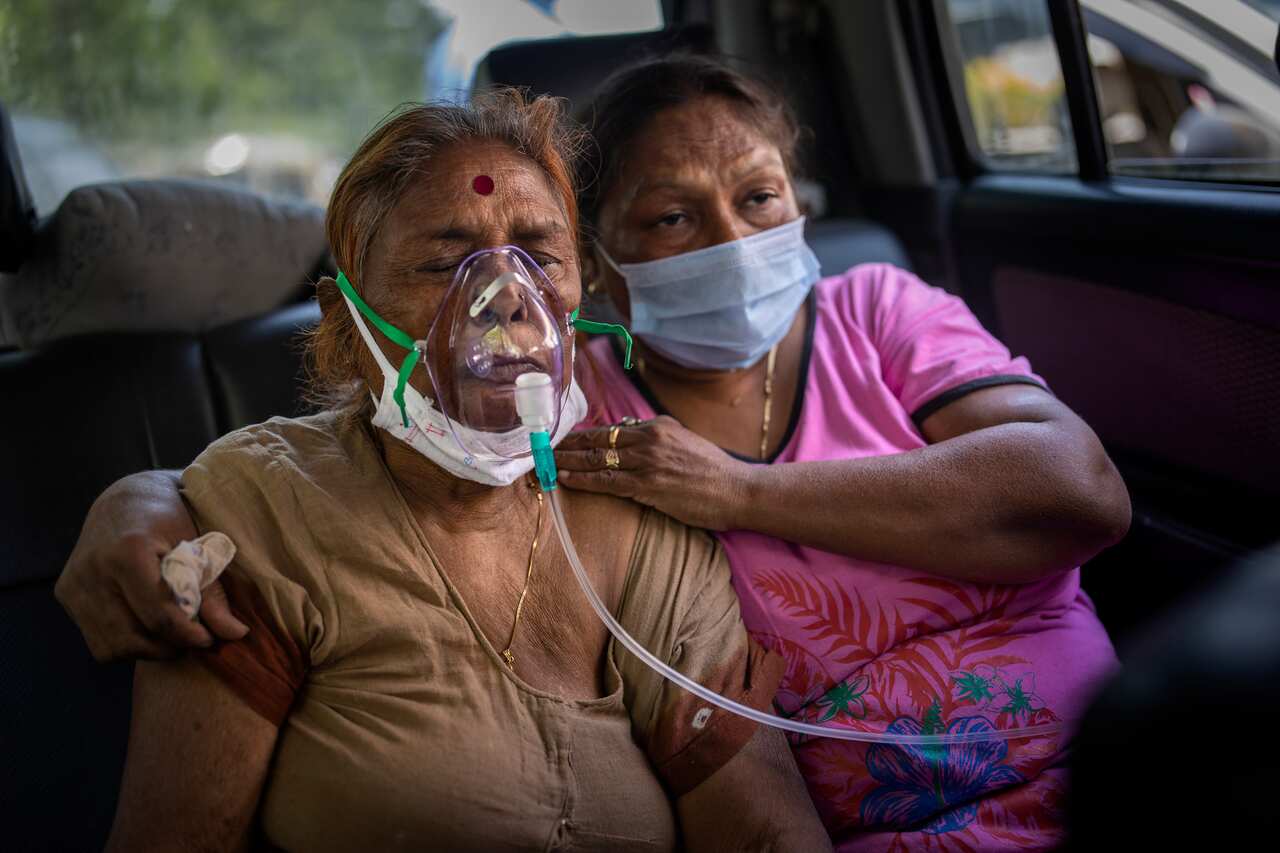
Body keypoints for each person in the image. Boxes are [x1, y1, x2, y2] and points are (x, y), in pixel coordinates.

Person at [58, 57, 1130, 850]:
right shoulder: (563, 439)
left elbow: (1080, 493)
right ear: (613, 265)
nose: (504, 299)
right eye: (670, 217)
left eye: (535, 252)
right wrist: (144, 496)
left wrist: (740, 491)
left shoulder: (831, 346)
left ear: (578, 282)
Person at [99, 90, 829, 852]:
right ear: (347, 322)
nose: (508, 298)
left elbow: (765, 831)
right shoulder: (266, 511)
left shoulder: (643, 525)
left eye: (540, 257)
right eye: (446, 264)